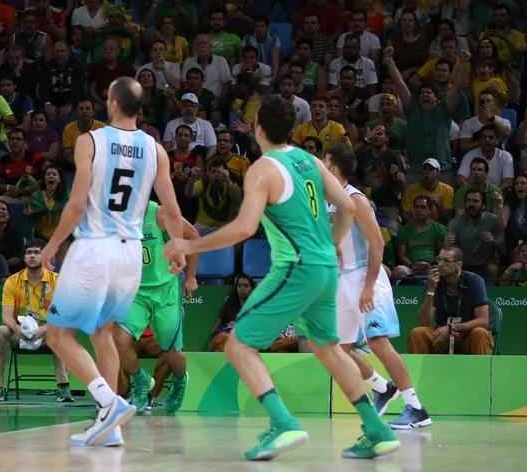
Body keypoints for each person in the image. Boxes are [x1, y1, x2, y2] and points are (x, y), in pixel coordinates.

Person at [164, 96, 399, 460]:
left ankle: (283, 423)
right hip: (325, 270)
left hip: (296, 268)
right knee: (328, 348)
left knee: (238, 345)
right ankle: (377, 429)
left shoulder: (263, 168)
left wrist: (187, 245)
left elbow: (244, 228)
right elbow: (349, 206)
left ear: (258, 128)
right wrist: (332, 242)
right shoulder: (312, 161)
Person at [38, 77, 188, 448]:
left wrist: (52, 245)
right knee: (102, 332)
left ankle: (109, 402)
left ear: (114, 103)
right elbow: (171, 210)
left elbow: (75, 204)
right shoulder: (156, 150)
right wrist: (179, 247)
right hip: (131, 254)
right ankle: (110, 427)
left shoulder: (90, 140)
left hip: (96, 245)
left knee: (58, 335)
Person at [324, 143, 431, 431]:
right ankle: (383, 387)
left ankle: (416, 408)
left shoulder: (355, 199)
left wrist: (369, 286)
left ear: (335, 168)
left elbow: (377, 243)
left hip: (364, 278)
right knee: (337, 348)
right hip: (341, 280)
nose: (321, 166)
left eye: (325, 162)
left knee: (377, 341)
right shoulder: (327, 201)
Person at [114, 199, 198, 414]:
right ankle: (141, 381)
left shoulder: (159, 214)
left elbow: (193, 236)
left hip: (165, 290)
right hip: (136, 292)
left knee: (171, 351)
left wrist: (191, 277)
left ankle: (180, 380)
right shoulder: (116, 217)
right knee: (119, 342)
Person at [0, 238, 69, 402]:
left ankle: (64, 388)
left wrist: (41, 330)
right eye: (28, 252)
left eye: (37, 252)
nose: (32, 256)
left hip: (47, 333)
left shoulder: (58, 281)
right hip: (20, 333)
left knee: (60, 332)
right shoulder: (12, 282)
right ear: (24, 257)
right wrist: (19, 330)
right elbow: (6, 317)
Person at [407, 246, 493, 356]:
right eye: (439, 259)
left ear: (458, 265)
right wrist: (430, 291)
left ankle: (481, 372)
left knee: (480, 333)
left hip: (467, 336)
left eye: (446, 261)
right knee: (417, 333)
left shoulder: (474, 281)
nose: (440, 264)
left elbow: (484, 321)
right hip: (441, 337)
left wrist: (451, 328)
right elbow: (424, 322)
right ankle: (417, 372)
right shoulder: (433, 281)